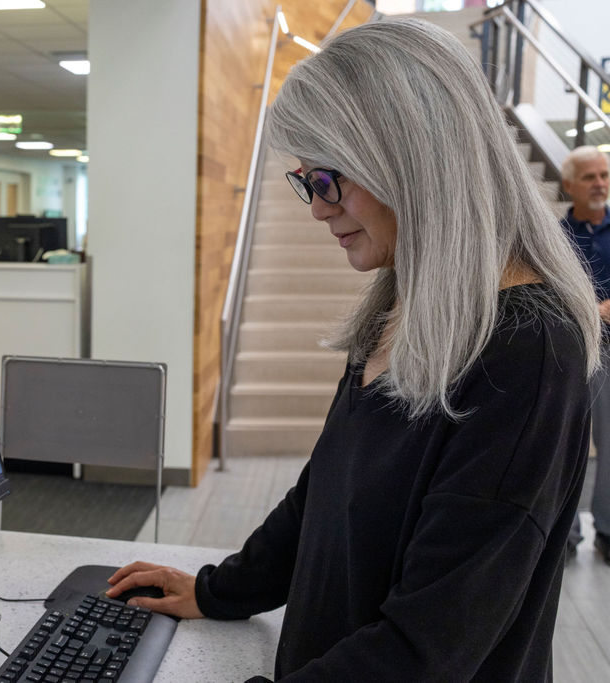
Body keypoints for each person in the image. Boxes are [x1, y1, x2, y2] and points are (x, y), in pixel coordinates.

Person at [106, 18, 601, 682]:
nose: (316, 207)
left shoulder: (528, 350)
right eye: (306, 181)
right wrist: (218, 589)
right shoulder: (401, 301)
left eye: (328, 178)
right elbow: (325, 491)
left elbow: (428, 647)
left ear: (413, 157)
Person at [562, 145, 610, 563]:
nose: (599, 184)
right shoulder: (554, 237)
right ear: (569, 185)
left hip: (609, 353)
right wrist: (590, 310)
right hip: (569, 354)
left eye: (604, 175)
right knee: (565, 443)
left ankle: (608, 531)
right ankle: (565, 534)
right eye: (590, 176)